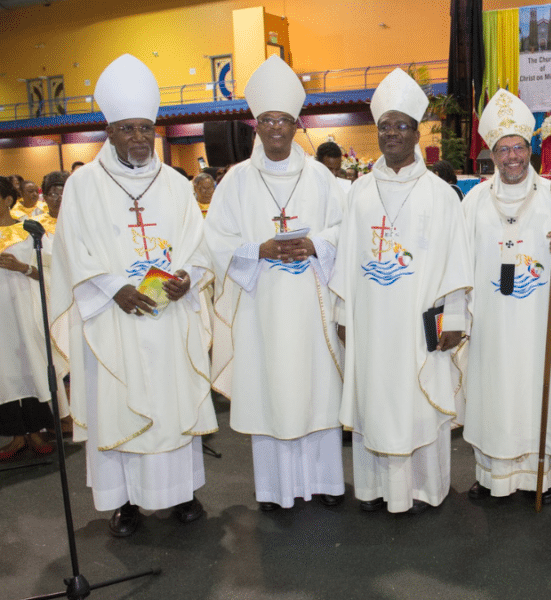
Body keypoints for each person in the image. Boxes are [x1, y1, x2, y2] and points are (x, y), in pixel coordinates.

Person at [50, 54, 217, 538]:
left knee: (171, 403)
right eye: (128, 129)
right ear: (110, 131)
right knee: (117, 405)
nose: (140, 138)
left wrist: (188, 277)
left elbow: (197, 243)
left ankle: (182, 492)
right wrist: (113, 288)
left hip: (167, 316)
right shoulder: (82, 186)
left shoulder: (175, 184)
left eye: (147, 128)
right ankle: (124, 504)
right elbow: (71, 250)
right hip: (113, 318)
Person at [203, 55, 346, 512]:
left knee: (316, 389)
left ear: (295, 123)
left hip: (313, 305)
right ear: (256, 126)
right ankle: (273, 490)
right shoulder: (235, 182)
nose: (277, 129)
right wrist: (257, 250)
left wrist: (316, 244)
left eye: (284, 120)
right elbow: (216, 240)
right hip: (259, 309)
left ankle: (324, 483)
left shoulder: (322, 178)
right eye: (267, 120)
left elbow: (346, 230)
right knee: (270, 392)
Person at [332, 68, 473, 515]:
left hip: (419, 323)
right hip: (372, 321)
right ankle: (374, 489)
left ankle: (426, 488)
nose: (392, 133)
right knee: (377, 402)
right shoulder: (358, 193)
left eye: (401, 125)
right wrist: (343, 317)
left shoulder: (440, 194)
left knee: (417, 401)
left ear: (416, 133)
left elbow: (456, 262)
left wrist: (454, 319)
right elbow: (345, 262)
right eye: (385, 126)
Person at [460, 89, 551, 504]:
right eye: (503, 149)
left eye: (518, 147)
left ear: (530, 147)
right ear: (491, 154)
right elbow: (459, 263)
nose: (512, 157)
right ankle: (490, 475)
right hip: (491, 324)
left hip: (538, 325)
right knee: (491, 393)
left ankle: (540, 478)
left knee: (536, 392)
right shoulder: (475, 201)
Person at [0, 176, 56, 460]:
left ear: (8, 200)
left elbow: (52, 270)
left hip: (24, 309)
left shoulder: (30, 231)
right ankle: (15, 436)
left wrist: (22, 267)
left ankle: (37, 430)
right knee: (3, 373)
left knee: (29, 364)